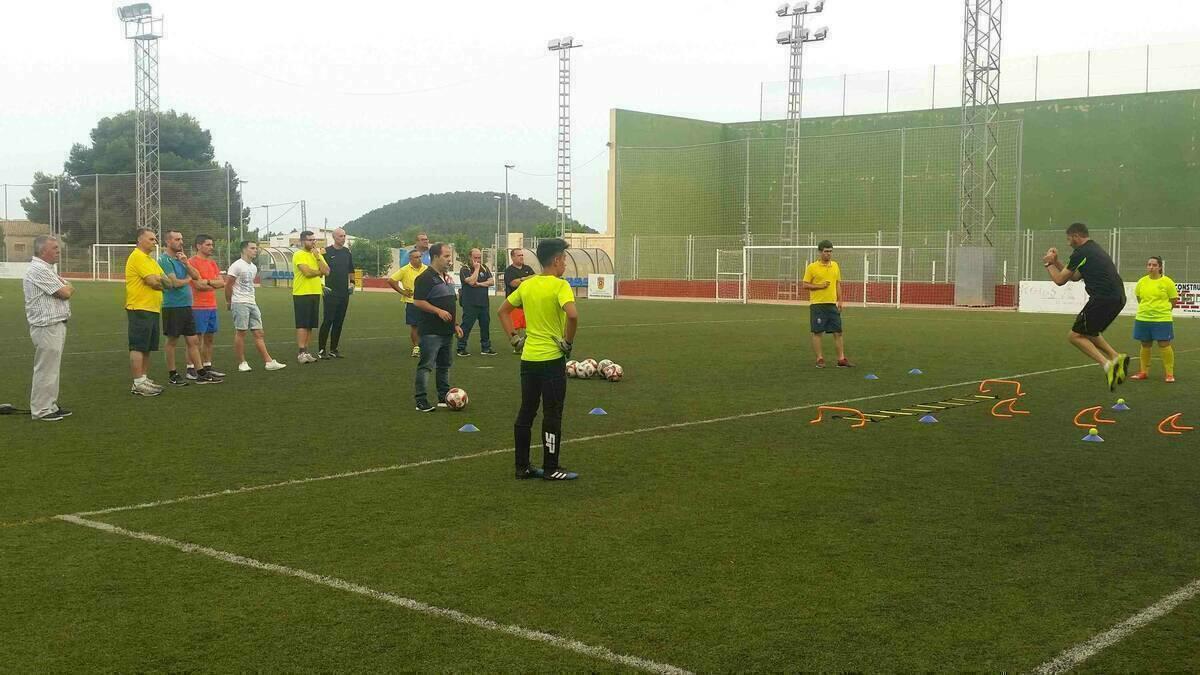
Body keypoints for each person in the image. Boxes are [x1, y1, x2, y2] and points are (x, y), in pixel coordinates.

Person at [498, 238, 580, 481]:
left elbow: (502, 311)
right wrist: (568, 342)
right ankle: (551, 467)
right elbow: (573, 316)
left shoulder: (528, 285)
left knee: (527, 411)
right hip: (552, 359)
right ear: (556, 260)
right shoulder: (560, 286)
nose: (565, 263)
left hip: (529, 358)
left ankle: (522, 467)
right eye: (564, 259)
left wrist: (514, 339)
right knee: (552, 413)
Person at [1043, 222, 1129, 391]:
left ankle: (1107, 366)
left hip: (1103, 299)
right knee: (1090, 332)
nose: (1068, 243)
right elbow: (1074, 276)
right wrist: (1057, 262)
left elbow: (1060, 280)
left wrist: (1048, 264)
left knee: (1074, 336)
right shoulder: (1093, 249)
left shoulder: (1080, 252)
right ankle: (1116, 357)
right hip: (1117, 297)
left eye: (1069, 239)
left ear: (1076, 236)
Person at [158, 229, 221, 386]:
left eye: (181, 239)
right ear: (168, 242)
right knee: (172, 341)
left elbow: (196, 276)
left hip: (187, 305)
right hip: (172, 306)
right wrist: (188, 279)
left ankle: (200, 373)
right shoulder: (164, 260)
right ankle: (173, 374)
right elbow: (174, 283)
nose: (181, 242)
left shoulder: (181, 259)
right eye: (177, 239)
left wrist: (186, 263)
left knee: (193, 341)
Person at [22, 235, 73, 420]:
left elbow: (65, 289)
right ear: (43, 251)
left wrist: (66, 287)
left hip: (54, 324)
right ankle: (41, 410)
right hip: (46, 325)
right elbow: (66, 291)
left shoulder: (46, 269)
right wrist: (66, 287)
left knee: (52, 368)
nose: (59, 251)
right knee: (46, 368)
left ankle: (50, 405)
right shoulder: (38, 269)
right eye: (55, 248)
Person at [412, 242, 463, 412]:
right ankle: (421, 400)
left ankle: (443, 396)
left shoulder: (447, 278)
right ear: (435, 257)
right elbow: (418, 301)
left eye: (451, 256)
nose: (450, 260)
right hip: (431, 331)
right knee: (426, 365)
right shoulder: (425, 278)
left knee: (444, 365)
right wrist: (437, 311)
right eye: (446, 256)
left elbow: (450, 304)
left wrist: (455, 324)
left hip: (447, 331)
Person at [225, 240, 287, 373]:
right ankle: (242, 362)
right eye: (252, 248)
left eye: (256, 248)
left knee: (259, 332)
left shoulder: (253, 267)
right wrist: (229, 302)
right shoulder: (236, 266)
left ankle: (268, 362)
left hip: (252, 302)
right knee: (241, 332)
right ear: (244, 250)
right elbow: (228, 284)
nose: (255, 250)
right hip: (240, 303)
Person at [126, 227, 167, 397]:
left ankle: (143, 378)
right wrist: (161, 282)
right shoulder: (137, 257)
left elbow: (165, 279)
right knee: (138, 345)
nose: (155, 242)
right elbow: (153, 281)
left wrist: (162, 281)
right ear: (140, 240)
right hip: (139, 307)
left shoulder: (151, 260)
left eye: (155, 239)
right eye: (151, 239)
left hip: (152, 307)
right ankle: (137, 383)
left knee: (147, 347)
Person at [802, 240, 853, 368]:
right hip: (818, 305)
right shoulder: (812, 267)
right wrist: (820, 286)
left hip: (831, 305)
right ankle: (820, 359)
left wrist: (840, 301)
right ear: (820, 252)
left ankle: (841, 359)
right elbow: (805, 284)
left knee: (838, 332)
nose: (828, 254)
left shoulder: (835, 265)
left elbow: (837, 284)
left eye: (830, 251)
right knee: (818, 332)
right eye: (826, 251)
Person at [1129, 255, 1179, 382]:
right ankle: (1143, 372)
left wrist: (1163, 311)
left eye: (1154, 265)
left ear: (1160, 267)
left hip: (1162, 319)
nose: (1151, 267)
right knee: (1145, 344)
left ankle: (1169, 374)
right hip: (1143, 317)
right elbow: (1139, 298)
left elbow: (1173, 300)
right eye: (1149, 265)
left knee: (1164, 344)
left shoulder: (1167, 282)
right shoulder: (1142, 282)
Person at [186, 234, 226, 380]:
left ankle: (207, 366)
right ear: (198, 246)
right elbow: (197, 285)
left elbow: (222, 283)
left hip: (211, 305)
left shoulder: (212, 263)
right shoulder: (191, 262)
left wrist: (207, 282)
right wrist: (212, 283)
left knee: (209, 338)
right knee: (195, 339)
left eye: (211, 244)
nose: (211, 247)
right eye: (208, 245)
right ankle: (191, 368)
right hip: (197, 306)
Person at [292, 230, 329, 364]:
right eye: (310, 240)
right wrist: (319, 272)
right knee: (302, 323)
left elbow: (327, 271)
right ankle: (301, 352)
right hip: (302, 293)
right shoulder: (298, 254)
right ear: (303, 241)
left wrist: (318, 257)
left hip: (315, 292)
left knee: (310, 325)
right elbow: (306, 272)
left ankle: (307, 351)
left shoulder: (316, 254)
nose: (313, 242)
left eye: (314, 240)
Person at [318, 228, 354, 359]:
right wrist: (322, 285)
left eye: (344, 236)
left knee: (339, 321)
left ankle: (334, 349)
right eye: (340, 236)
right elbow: (319, 270)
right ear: (334, 237)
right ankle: (321, 350)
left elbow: (351, 270)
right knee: (328, 320)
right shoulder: (326, 252)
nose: (343, 238)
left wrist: (352, 283)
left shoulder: (347, 252)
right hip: (330, 292)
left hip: (344, 293)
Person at [457, 247, 497, 357]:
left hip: (483, 303)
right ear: (470, 257)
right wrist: (476, 269)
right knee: (466, 325)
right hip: (470, 303)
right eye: (475, 257)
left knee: (485, 325)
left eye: (479, 257)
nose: (478, 260)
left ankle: (486, 348)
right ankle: (461, 347)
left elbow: (491, 281)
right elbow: (471, 281)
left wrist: (479, 284)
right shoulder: (465, 269)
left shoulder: (485, 268)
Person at [388, 249, 427, 358]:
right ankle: (416, 347)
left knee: (426, 325)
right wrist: (402, 291)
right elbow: (391, 280)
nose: (419, 259)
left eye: (420, 257)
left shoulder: (426, 269)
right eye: (416, 257)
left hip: (426, 302)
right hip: (412, 302)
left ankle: (426, 346)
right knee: (415, 326)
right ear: (410, 259)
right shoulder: (404, 270)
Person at [502, 248, 536, 353]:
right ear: (512, 257)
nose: (521, 257)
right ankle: (517, 346)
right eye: (519, 255)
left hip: (527, 303)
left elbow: (534, 279)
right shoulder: (509, 271)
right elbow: (513, 283)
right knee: (515, 327)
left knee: (530, 327)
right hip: (514, 304)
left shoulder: (528, 268)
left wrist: (524, 279)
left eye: (522, 255)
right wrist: (526, 279)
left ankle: (527, 345)